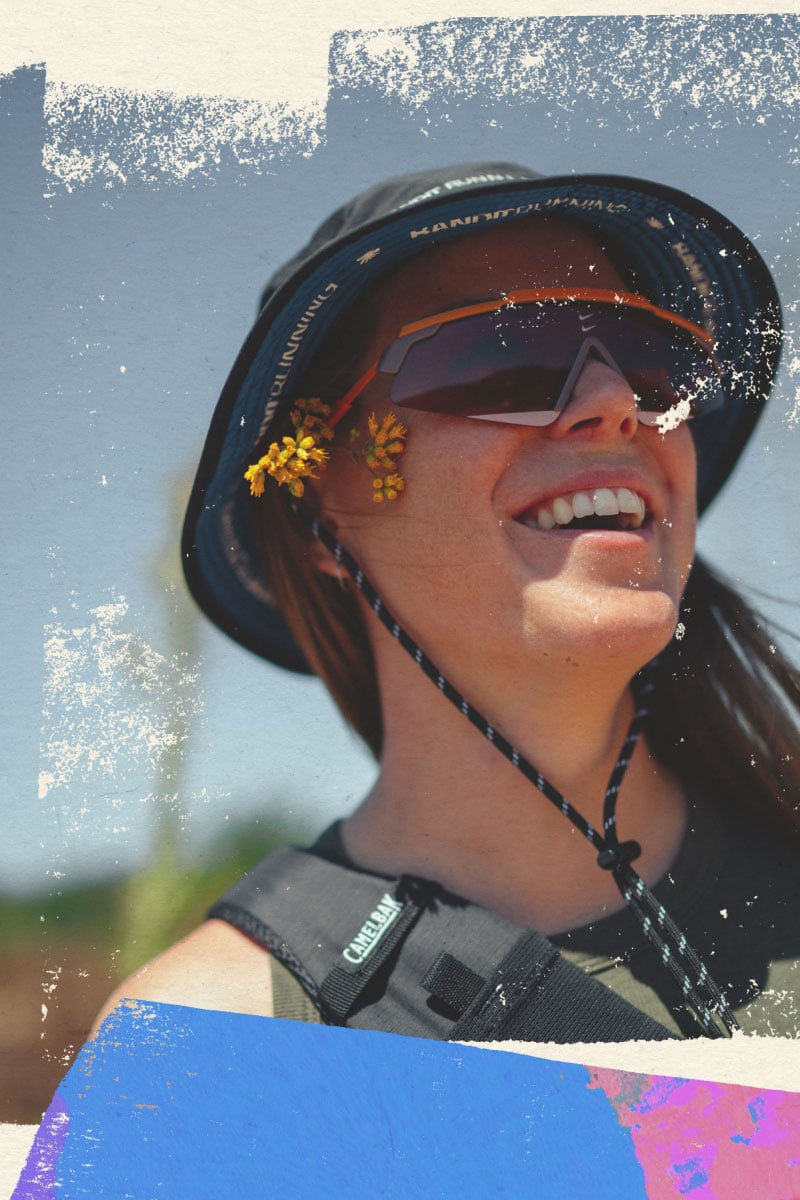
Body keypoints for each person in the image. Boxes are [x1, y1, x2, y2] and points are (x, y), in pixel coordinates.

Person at [95, 163, 800, 1042]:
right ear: (321, 514)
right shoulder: (205, 1043)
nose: (617, 402)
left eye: (656, 367)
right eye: (508, 355)